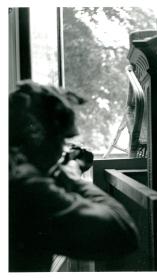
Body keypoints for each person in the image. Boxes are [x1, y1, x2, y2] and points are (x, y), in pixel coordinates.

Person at [9, 80, 139, 272]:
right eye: (61, 139)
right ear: (36, 135)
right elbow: (124, 233)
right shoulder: (27, 186)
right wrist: (72, 175)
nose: (61, 148)